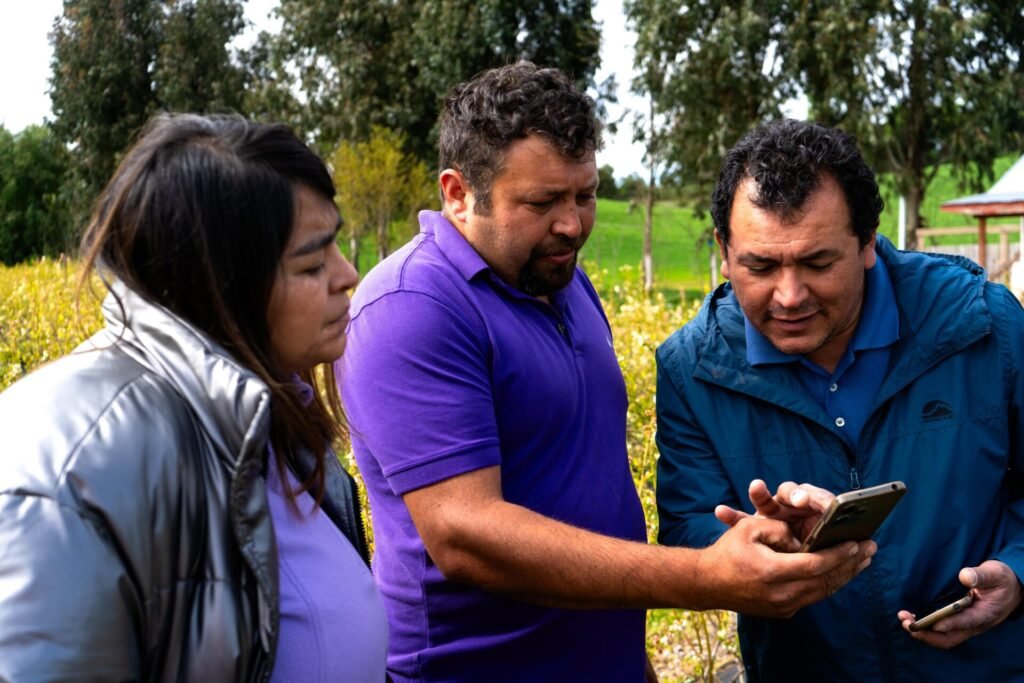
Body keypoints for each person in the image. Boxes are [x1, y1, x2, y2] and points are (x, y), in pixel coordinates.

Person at [340, 63, 874, 683]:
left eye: (584, 195)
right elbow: (464, 533)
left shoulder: (558, 278)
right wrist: (703, 577)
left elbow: (582, 490)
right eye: (541, 202)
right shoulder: (413, 307)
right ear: (458, 193)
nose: (572, 224)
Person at [0, 114, 388, 681]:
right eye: (312, 262)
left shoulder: (273, 405)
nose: (349, 275)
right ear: (219, 285)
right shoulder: (75, 465)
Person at [655, 118, 1024, 681]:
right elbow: (689, 527)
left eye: (818, 263)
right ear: (724, 252)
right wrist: (763, 543)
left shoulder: (984, 325)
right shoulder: (690, 369)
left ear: (867, 241)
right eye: (760, 266)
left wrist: (1019, 573)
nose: (790, 295)